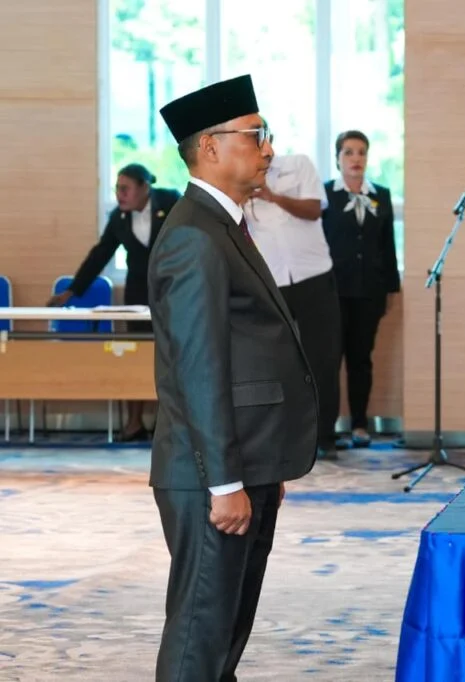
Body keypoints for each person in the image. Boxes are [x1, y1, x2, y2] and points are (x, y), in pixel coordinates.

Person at [148, 74, 318, 682]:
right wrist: (225, 482)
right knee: (199, 640)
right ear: (211, 146)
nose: (269, 149)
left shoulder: (223, 226)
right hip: (210, 473)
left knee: (223, 639)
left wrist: (263, 468)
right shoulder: (194, 237)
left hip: (247, 461)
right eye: (255, 135)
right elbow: (201, 370)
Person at [49, 163, 180, 441]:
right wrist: (71, 291)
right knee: (137, 355)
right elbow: (101, 253)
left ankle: (167, 425)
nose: (119, 194)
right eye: (117, 189)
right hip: (137, 295)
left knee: (170, 359)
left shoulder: (171, 201)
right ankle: (134, 423)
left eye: (124, 189)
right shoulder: (119, 217)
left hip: (174, 292)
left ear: (144, 187)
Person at [245, 143, 343, 460]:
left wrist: (272, 196)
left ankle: (325, 436)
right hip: (272, 281)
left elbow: (314, 210)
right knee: (275, 362)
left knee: (323, 359)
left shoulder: (298, 165)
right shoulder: (241, 180)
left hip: (313, 275)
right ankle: (282, 436)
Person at [321, 130, 400, 447]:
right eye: (349, 152)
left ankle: (359, 425)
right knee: (329, 360)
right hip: (332, 291)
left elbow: (387, 246)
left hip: (370, 292)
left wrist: (391, 288)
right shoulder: (325, 194)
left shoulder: (381, 194)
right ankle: (325, 428)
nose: (356, 159)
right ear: (338, 158)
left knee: (361, 360)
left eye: (361, 152)